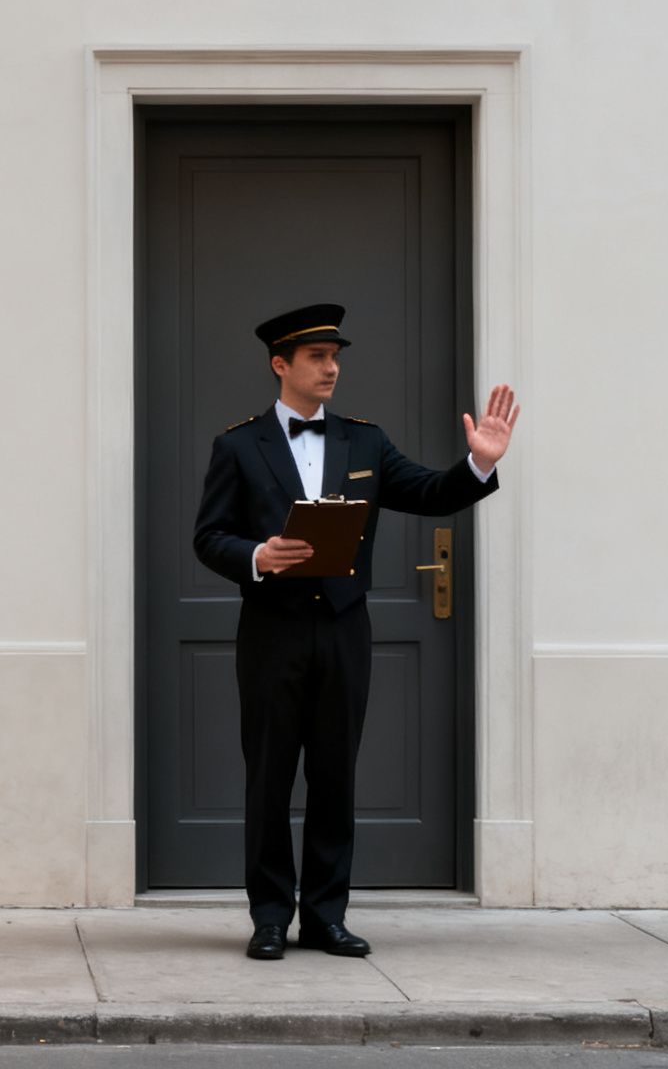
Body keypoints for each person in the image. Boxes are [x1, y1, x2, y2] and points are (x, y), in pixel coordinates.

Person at [192, 302, 519, 961]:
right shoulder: (236, 445)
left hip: (344, 631)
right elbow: (209, 537)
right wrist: (257, 556)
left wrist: (478, 464)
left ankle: (325, 916)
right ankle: (267, 918)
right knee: (269, 779)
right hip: (272, 632)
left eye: (335, 357)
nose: (331, 368)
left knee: (335, 778)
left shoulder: (365, 441)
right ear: (280, 364)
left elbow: (430, 493)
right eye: (317, 357)